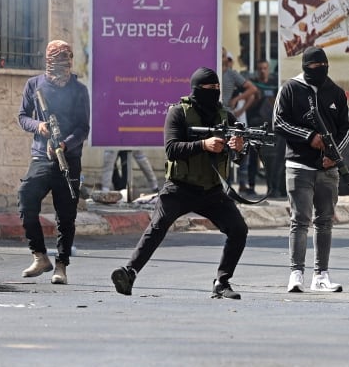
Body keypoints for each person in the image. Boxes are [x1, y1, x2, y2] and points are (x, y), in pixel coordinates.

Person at [111, 67, 249, 299]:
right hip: (180, 187)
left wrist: (239, 148)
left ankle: (222, 282)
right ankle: (129, 272)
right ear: (196, 90)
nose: (214, 92)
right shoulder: (178, 113)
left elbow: (239, 157)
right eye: (209, 89)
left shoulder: (225, 116)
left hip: (211, 189)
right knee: (157, 226)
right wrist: (202, 145)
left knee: (239, 229)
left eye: (217, 88)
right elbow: (172, 149)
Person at [273, 47, 349, 293]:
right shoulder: (290, 89)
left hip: (328, 169)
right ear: (305, 67)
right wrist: (309, 137)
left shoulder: (335, 92)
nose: (320, 70)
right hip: (299, 165)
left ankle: (321, 275)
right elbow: (279, 121)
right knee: (300, 220)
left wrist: (333, 154)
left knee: (325, 221)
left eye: (324, 66)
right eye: (315, 67)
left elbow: (346, 128)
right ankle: (296, 273)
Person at [16, 40, 90, 284]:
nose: (63, 66)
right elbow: (23, 117)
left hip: (68, 158)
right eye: (58, 61)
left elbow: (83, 128)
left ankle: (61, 265)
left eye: (67, 60)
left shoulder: (79, 91)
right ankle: (39, 255)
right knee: (26, 198)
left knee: (66, 216)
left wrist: (65, 143)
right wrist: (39, 126)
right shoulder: (34, 85)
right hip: (41, 156)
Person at [221, 48, 258, 194]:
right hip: (212, 117)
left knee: (231, 152)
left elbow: (252, 89)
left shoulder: (231, 74)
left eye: (223, 55)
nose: (221, 58)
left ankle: (231, 187)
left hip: (228, 117)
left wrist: (237, 99)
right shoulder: (210, 70)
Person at [245, 59, 281, 198]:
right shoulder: (252, 84)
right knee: (253, 156)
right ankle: (251, 186)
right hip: (255, 123)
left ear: (268, 69)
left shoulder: (274, 84)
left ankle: (271, 188)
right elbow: (248, 104)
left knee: (270, 159)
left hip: (271, 125)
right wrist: (255, 100)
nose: (262, 70)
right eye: (260, 68)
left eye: (265, 68)